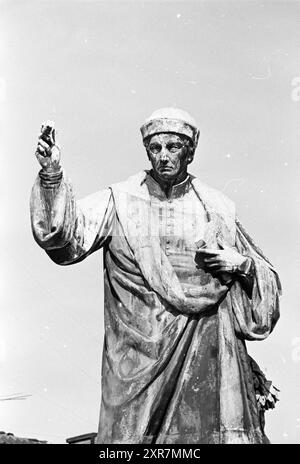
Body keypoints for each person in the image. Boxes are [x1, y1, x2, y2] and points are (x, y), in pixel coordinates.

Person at [30, 108, 281, 444]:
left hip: (206, 354)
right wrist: (51, 175)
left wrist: (242, 266)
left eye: (173, 148)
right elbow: (64, 236)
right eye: (155, 148)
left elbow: (265, 284)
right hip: (135, 366)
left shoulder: (217, 207)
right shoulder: (119, 201)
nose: (163, 156)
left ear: (190, 152)